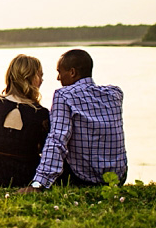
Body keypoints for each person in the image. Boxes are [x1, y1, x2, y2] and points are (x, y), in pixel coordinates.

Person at [20, 49, 126, 193]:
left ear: (72, 72)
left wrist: (38, 184)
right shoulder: (115, 94)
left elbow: (57, 140)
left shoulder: (64, 95)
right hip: (117, 178)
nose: (58, 78)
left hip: (84, 179)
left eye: (60, 72)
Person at [0, 54, 51, 187]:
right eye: (40, 75)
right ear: (29, 78)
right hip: (24, 178)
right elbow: (42, 148)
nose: (42, 80)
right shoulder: (41, 114)